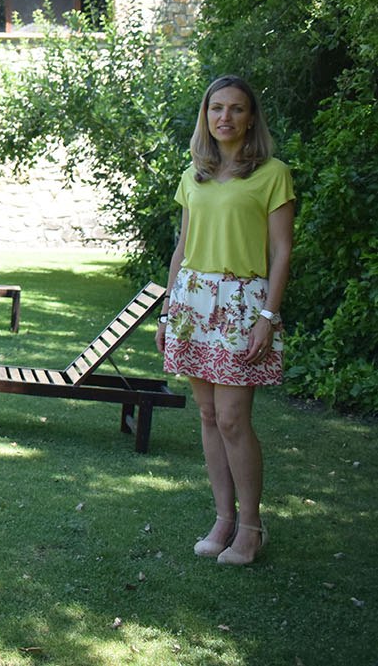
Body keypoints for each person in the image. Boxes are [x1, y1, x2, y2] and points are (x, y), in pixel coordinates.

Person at [156, 74, 294, 566]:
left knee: (235, 419)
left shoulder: (272, 173)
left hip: (242, 302)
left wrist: (268, 316)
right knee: (209, 415)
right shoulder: (194, 174)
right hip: (194, 300)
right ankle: (223, 518)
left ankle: (251, 525)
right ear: (206, 116)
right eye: (216, 109)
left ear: (250, 117)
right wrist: (168, 311)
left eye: (236, 109)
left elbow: (281, 252)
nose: (225, 118)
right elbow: (182, 248)